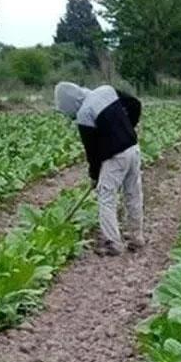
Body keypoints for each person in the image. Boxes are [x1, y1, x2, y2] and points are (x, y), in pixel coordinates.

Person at [54, 82, 144, 257]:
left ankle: (114, 244)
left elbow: (92, 152)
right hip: (133, 148)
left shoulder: (84, 114)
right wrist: (128, 128)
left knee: (106, 197)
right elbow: (135, 103)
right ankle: (136, 237)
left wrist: (94, 176)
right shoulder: (106, 90)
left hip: (116, 157)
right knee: (133, 192)